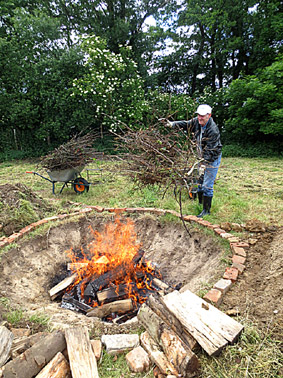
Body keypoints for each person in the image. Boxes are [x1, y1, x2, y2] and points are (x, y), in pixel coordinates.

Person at [169, 104, 222, 217]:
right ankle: (200, 203)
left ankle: (206, 211)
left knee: (207, 185)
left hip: (212, 158)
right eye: (198, 115)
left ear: (209, 115)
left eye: (202, 116)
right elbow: (186, 124)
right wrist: (172, 124)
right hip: (201, 157)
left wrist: (204, 164)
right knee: (200, 181)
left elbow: (211, 150)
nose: (200, 118)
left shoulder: (213, 130)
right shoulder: (197, 121)